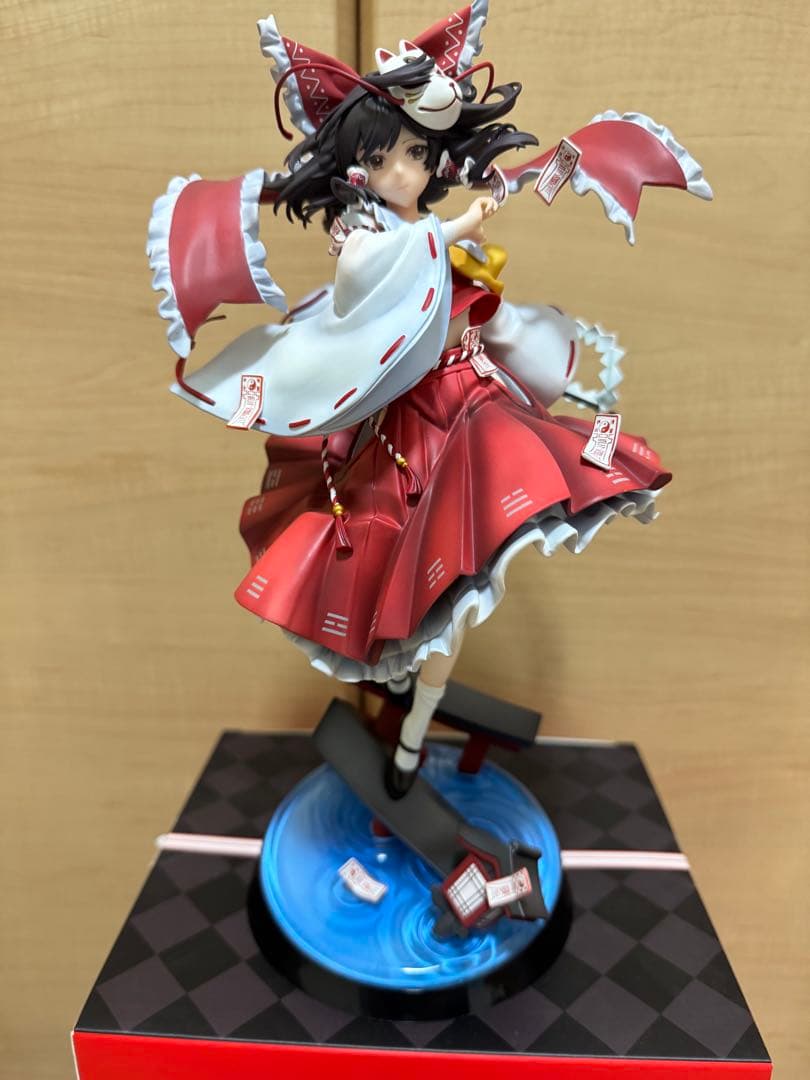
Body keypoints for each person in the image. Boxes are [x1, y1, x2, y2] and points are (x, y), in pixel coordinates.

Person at [147, 8, 710, 798]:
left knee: (478, 566)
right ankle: (409, 727)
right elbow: (366, 281)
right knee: (417, 584)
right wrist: (447, 233)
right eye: (383, 159)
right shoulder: (371, 242)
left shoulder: (435, 239)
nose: (404, 172)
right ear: (357, 169)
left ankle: (415, 725)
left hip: (470, 405)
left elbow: (486, 315)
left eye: (415, 153)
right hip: (410, 431)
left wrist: (539, 353)